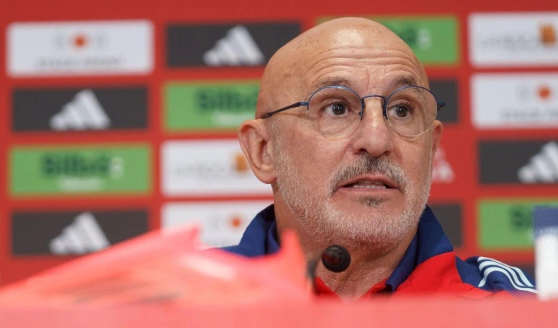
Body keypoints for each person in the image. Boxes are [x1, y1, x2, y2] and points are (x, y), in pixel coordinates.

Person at [223, 17, 535, 300]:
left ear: (431, 148)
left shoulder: (519, 311)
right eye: (336, 108)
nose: (376, 141)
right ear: (264, 150)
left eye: (402, 110)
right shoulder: (195, 305)